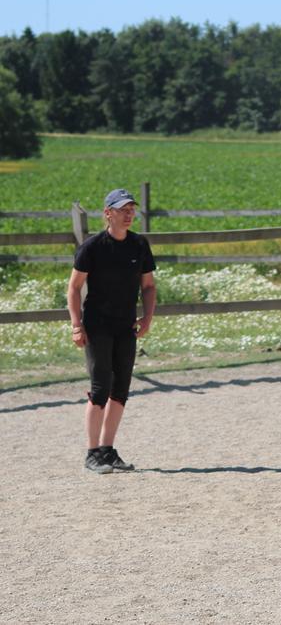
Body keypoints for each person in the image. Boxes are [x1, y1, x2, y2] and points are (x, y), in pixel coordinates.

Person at [67, 188, 156, 473]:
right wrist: (76, 326)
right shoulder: (92, 247)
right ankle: (92, 453)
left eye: (131, 210)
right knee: (100, 388)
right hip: (97, 327)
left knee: (120, 390)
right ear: (108, 213)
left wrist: (147, 318)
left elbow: (148, 286)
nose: (129, 215)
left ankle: (107, 450)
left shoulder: (139, 245)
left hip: (125, 327)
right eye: (122, 210)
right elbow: (74, 288)